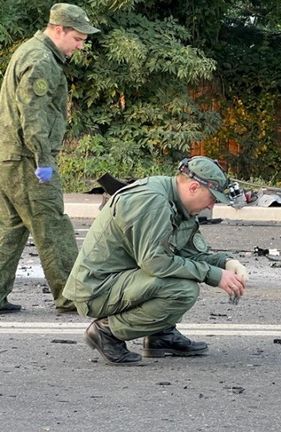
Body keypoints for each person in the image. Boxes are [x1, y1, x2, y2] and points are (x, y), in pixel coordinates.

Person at [63, 156, 250, 365]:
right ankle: (107, 332)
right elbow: (155, 262)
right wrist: (213, 275)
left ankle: (160, 335)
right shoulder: (153, 201)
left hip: (120, 280)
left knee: (181, 275)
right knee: (182, 290)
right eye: (212, 198)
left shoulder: (179, 204)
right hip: (96, 289)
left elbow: (189, 253)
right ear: (194, 187)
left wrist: (227, 263)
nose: (211, 206)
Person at [0, 3, 99, 314]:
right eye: (78, 39)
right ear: (59, 30)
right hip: (29, 160)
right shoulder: (41, 60)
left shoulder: (30, 51)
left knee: (11, 228)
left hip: (10, 157)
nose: (81, 46)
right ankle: (72, 295)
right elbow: (34, 115)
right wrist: (43, 160)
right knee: (52, 226)